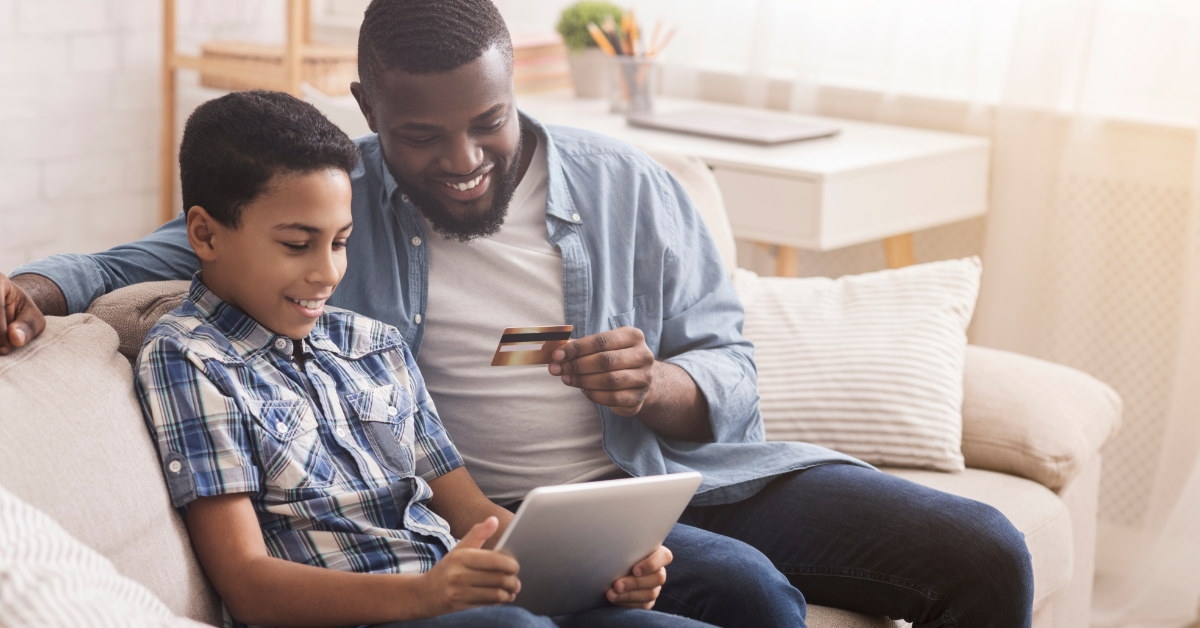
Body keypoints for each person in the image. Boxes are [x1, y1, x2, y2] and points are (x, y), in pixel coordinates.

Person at [2, 0, 1035, 625]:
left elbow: (732, 365)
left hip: (670, 477)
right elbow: (150, 251)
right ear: (368, 111)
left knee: (985, 550)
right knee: (751, 594)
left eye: (488, 124)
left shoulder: (635, 184)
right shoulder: (333, 202)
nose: (461, 161)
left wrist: (664, 384)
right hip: (496, 507)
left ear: (514, 92)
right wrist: (35, 290)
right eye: (421, 136)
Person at [132, 89, 709, 628]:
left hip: (457, 602)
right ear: (205, 235)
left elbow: (471, 513)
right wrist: (428, 594)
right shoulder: (189, 357)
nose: (328, 272)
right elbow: (248, 586)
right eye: (296, 244)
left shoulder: (376, 346)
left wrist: (591, 567)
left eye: (340, 241)